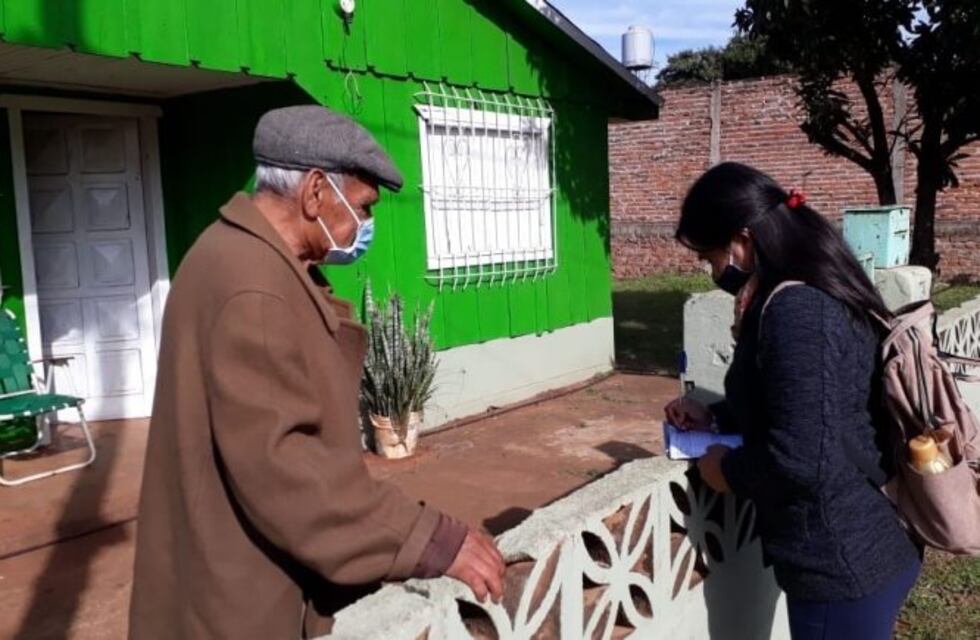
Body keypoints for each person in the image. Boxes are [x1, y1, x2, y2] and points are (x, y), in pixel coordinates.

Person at [129, 106, 505, 639]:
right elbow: (286, 472)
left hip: (229, 567)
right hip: (242, 598)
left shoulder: (235, 255)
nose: (366, 226)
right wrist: (429, 539)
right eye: (362, 207)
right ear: (314, 193)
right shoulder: (252, 286)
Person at [664, 162, 921, 640]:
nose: (712, 271)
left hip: (841, 564)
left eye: (710, 256)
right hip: (866, 547)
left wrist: (726, 470)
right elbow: (817, 404)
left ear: (742, 239)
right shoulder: (816, 287)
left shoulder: (796, 310)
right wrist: (714, 416)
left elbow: (804, 458)